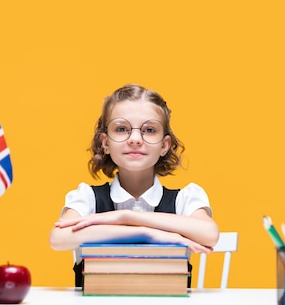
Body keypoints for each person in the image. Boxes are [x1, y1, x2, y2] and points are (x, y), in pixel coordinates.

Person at [49, 84, 219, 286]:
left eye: (149, 130)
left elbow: (209, 234)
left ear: (164, 145)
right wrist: (146, 232)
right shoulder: (87, 197)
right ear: (105, 143)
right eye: (122, 129)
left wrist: (126, 216)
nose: (135, 139)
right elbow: (58, 238)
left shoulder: (185, 198)